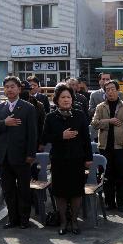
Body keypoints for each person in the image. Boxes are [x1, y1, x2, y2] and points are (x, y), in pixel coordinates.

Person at [42, 84, 93, 235]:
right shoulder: (50, 117)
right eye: (63, 97)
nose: (66, 100)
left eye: (69, 97)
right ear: (56, 100)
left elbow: (86, 138)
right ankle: (63, 221)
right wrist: (60, 136)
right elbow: (44, 138)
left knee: (76, 192)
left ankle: (74, 221)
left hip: (77, 159)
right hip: (58, 159)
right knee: (60, 192)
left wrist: (88, 158)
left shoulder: (79, 115)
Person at [0, 76, 38, 228]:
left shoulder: (28, 107)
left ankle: (24, 219)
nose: (9, 89)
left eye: (13, 86)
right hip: (4, 156)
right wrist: (4, 123)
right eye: (7, 87)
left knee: (24, 189)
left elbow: (33, 133)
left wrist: (31, 154)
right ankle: (12, 218)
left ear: (19, 89)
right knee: (8, 190)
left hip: (22, 156)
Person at [92, 80, 123, 211]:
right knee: (107, 176)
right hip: (105, 147)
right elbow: (94, 123)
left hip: (121, 148)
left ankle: (121, 203)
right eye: (107, 90)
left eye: (112, 89)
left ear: (117, 90)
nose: (110, 92)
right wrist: (109, 121)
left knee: (121, 176)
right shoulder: (100, 107)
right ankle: (109, 202)